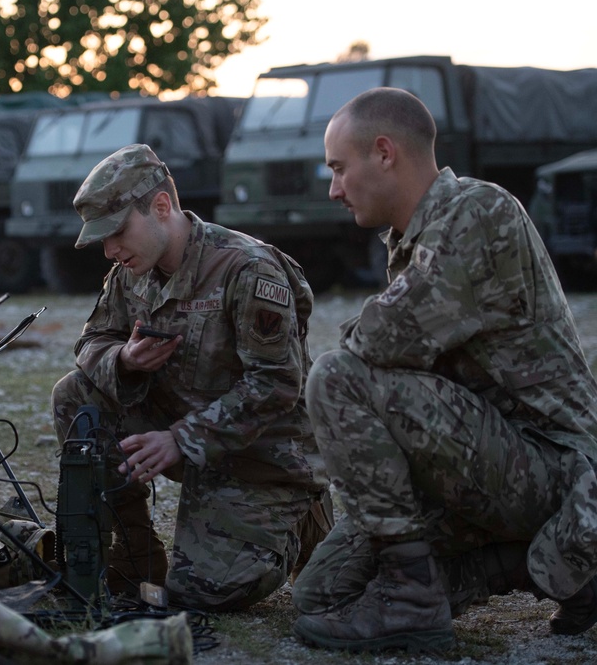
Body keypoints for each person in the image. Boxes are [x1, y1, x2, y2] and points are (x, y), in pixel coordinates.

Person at [291, 87, 597, 653]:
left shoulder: (477, 211)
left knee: (335, 378)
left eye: (339, 169)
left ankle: (412, 599)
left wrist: (364, 337)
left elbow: (380, 341)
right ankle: (532, 565)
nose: (333, 189)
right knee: (322, 593)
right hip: (486, 459)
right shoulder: (411, 239)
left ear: (384, 152)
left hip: (553, 467)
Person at [51, 143, 332, 611]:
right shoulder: (130, 272)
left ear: (161, 207)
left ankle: (303, 517)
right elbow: (91, 342)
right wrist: (124, 360)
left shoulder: (247, 268)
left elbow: (276, 384)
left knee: (203, 593)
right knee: (75, 396)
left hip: (258, 456)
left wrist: (180, 439)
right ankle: (135, 555)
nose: (110, 249)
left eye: (117, 231)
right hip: (181, 435)